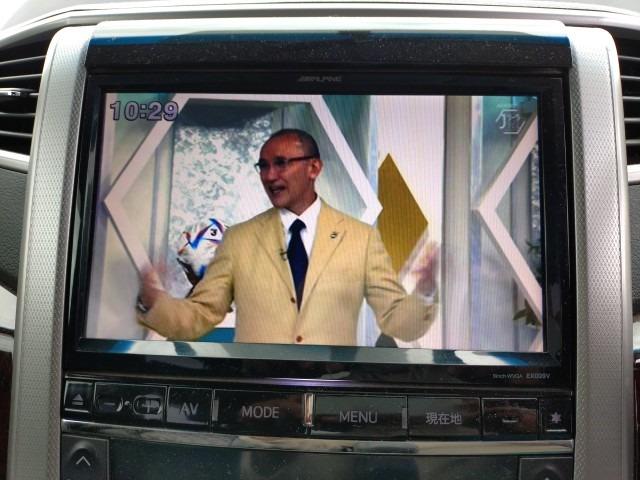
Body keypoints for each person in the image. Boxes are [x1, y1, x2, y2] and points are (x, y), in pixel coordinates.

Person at [137, 128, 438, 345]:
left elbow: (398, 323)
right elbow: (199, 316)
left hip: (330, 399)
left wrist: (424, 291)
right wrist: (153, 301)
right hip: (258, 401)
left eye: (281, 163)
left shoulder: (361, 239)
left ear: (314, 167)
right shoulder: (239, 240)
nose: (270, 176)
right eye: (264, 166)